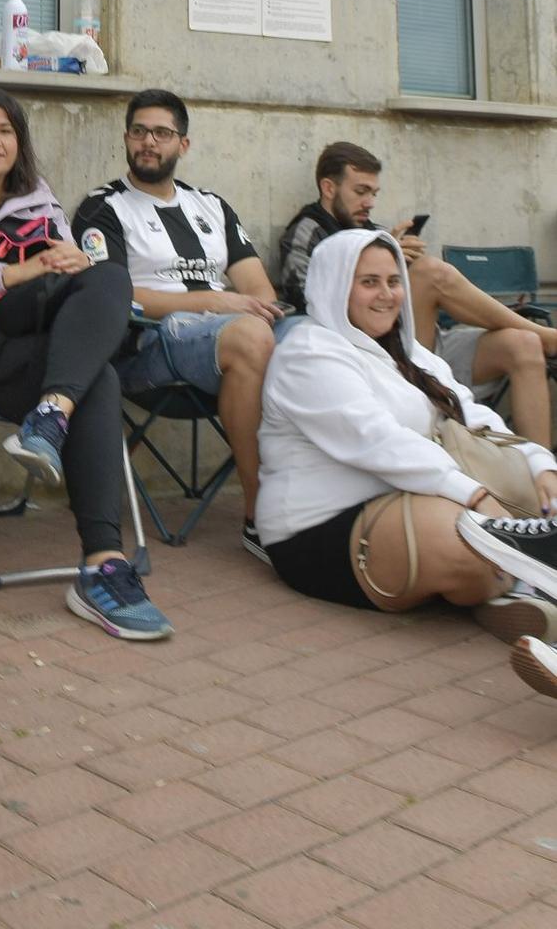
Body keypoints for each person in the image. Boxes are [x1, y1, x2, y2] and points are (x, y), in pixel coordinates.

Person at [0, 86, 172, 642]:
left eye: (7, 131)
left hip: (38, 347)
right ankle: (100, 561)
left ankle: (100, 557)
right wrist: (14, 273)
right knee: (96, 367)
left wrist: (74, 260)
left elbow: (75, 273)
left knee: (108, 281)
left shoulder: (39, 199)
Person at [255, 226, 557, 696]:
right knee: (473, 542)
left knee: (537, 504)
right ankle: (519, 588)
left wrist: (540, 463)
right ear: (335, 285)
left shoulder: (409, 353)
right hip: (321, 528)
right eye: (369, 282)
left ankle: (516, 592)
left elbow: (470, 414)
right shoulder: (309, 352)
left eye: (393, 281)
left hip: (412, 500)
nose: (387, 295)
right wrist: (475, 495)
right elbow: (377, 441)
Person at [72, 90, 278, 563]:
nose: (149, 142)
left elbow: (259, 290)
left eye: (162, 133)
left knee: (315, 342)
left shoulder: (212, 207)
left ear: (182, 145)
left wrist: (240, 307)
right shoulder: (102, 209)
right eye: (139, 131)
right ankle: (260, 518)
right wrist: (214, 301)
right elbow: (110, 292)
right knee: (251, 337)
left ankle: (321, 501)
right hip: (145, 346)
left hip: (229, 340)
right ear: (126, 138)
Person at [277, 141, 555, 447]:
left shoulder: (372, 229)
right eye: (360, 191)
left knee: (524, 346)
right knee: (429, 272)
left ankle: (542, 482)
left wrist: (394, 257)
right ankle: (549, 337)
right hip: (375, 352)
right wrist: (380, 259)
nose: (369, 202)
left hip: (424, 345)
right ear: (329, 188)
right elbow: (310, 306)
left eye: (374, 193)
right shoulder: (306, 231)